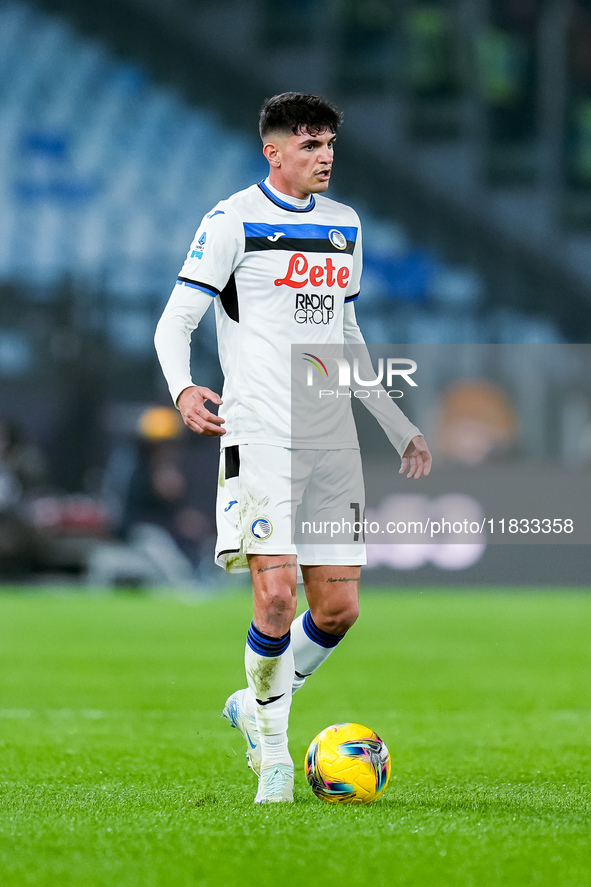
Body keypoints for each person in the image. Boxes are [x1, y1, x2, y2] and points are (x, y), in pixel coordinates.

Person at [154, 92, 432, 803]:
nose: (325, 155)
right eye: (309, 145)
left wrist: (394, 422)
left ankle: (253, 703)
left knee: (337, 609)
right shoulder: (230, 220)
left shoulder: (345, 226)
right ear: (272, 151)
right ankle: (273, 756)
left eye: (330, 143)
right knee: (275, 596)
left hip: (329, 438)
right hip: (260, 436)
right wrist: (184, 389)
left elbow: (343, 337)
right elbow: (174, 322)